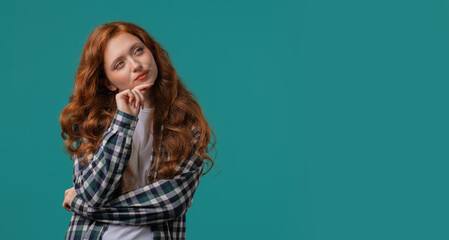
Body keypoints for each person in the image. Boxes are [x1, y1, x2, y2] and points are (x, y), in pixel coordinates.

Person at [59, 21, 216, 240]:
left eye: (138, 50)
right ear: (108, 82)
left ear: (151, 51)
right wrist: (123, 121)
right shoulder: (93, 124)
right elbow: (94, 194)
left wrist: (81, 205)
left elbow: (170, 203)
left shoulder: (187, 126)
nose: (135, 65)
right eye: (119, 64)